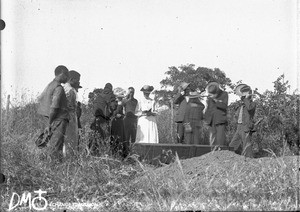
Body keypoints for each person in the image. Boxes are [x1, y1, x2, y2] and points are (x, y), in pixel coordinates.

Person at [37, 65, 69, 163]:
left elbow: (40, 99)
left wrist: (47, 121)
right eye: (66, 75)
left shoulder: (50, 85)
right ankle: (55, 168)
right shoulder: (59, 88)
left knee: (48, 145)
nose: (67, 78)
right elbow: (54, 106)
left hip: (48, 118)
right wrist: (50, 123)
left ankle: (47, 165)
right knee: (56, 147)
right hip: (57, 120)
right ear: (62, 74)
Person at [229, 84, 256, 157]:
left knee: (247, 146)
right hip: (239, 127)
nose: (242, 96)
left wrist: (247, 98)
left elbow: (250, 108)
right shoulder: (242, 105)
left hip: (246, 128)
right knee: (232, 145)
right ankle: (227, 158)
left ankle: (249, 162)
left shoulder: (252, 104)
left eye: (245, 94)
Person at [89, 83, 116, 155]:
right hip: (104, 120)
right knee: (104, 139)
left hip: (95, 119)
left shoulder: (98, 96)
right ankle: (103, 155)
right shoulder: (111, 95)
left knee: (94, 138)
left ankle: (91, 155)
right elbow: (113, 107)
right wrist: (111, 113)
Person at [204, 81, 228, 146]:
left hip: (220, 120)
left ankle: (220, 153)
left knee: (220, 139)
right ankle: (212, 153)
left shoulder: (224, 94)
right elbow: (208, 109)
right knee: (212, 139)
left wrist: (216, 101)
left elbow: (224, 106)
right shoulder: (209, 97)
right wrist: (206, 120)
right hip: (211, 121)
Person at [63, 70, 81, 157]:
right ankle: (69, 160)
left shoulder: (63, 88)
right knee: (71, 140)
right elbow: (71, 106)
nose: (78, 82)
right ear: (72, 79)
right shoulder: (70, 90)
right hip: (70, 118)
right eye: (77, 80)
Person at [110, 88, 126, 158]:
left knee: (121, 136)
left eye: (120, 97)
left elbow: (124, 113)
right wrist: (115, 115)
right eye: (118, 97)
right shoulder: (113, 103)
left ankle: (121, 153)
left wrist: (121, 115)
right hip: (115, 121)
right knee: (114, 136)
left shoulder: (123, 104)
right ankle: (114, 153)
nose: (119, 98)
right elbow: (111, 112)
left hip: (120, 122)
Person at [122, 87, 138, 155]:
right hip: (127, 119)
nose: (131, 93)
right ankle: (126, 153)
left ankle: (133, 153)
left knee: (134, 137)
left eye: (133, 92)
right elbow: (122, 109)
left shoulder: (136, 101)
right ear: (128, 92)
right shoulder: (125, 100)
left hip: (134, 120)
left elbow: (137, 110)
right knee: (126, 137)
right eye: (130, 92)